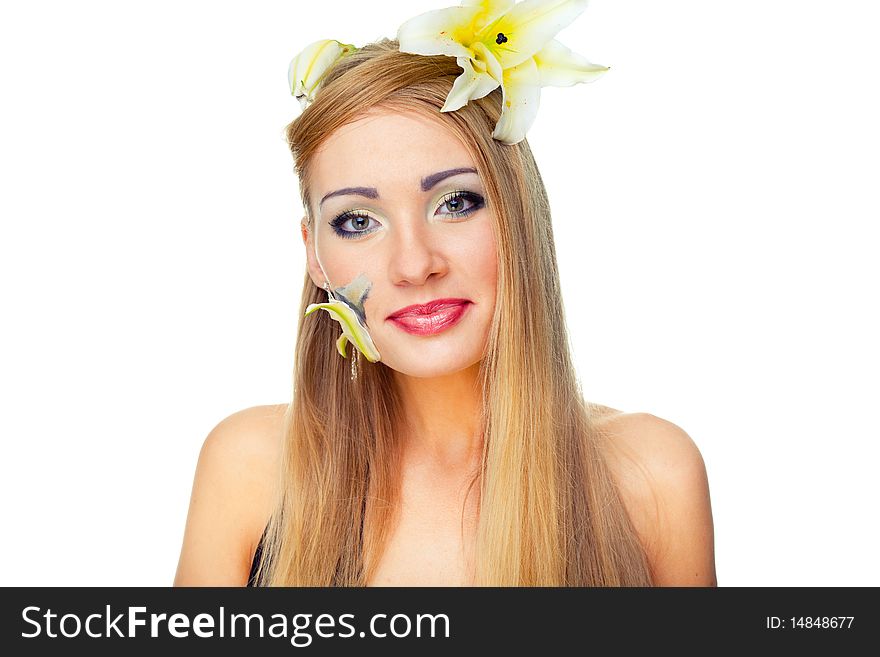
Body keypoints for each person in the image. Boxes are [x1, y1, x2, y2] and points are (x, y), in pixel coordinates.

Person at [173, 1, 715, 587]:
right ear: (315, 254)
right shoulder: (249, 468)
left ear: (518, 214)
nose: (413, 265)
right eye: (357, 221)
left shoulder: (651, 475)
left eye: (456, 203)